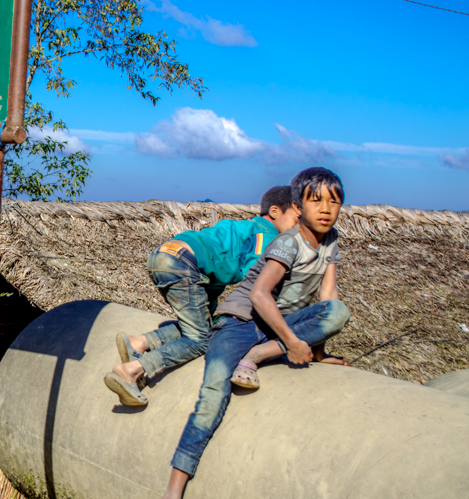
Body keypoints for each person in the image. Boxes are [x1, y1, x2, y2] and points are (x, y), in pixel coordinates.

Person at [161, 167, 351, 499]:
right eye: (316, 201)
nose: (325, 209)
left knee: (338, 311)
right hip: (241, 322)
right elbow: (259, 295)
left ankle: (258, 356)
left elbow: (327, 296)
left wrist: (319, 352)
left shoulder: (331, 241)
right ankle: (174, 489)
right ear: (297, 205)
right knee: (212, 395)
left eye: (333, 202)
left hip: (278, 328)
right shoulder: (288, 242)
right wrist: (291, 342)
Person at [104, 186, 299, 406]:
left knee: (204, 325)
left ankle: (139, 342)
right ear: (274, 211)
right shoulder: (269, 237)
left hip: (166, 254)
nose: (298, 228)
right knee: (201, 340)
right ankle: (132, 370)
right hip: (183, 263)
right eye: (297, 219)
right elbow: (258, 285)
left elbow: (214, 266)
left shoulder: (241, 227)